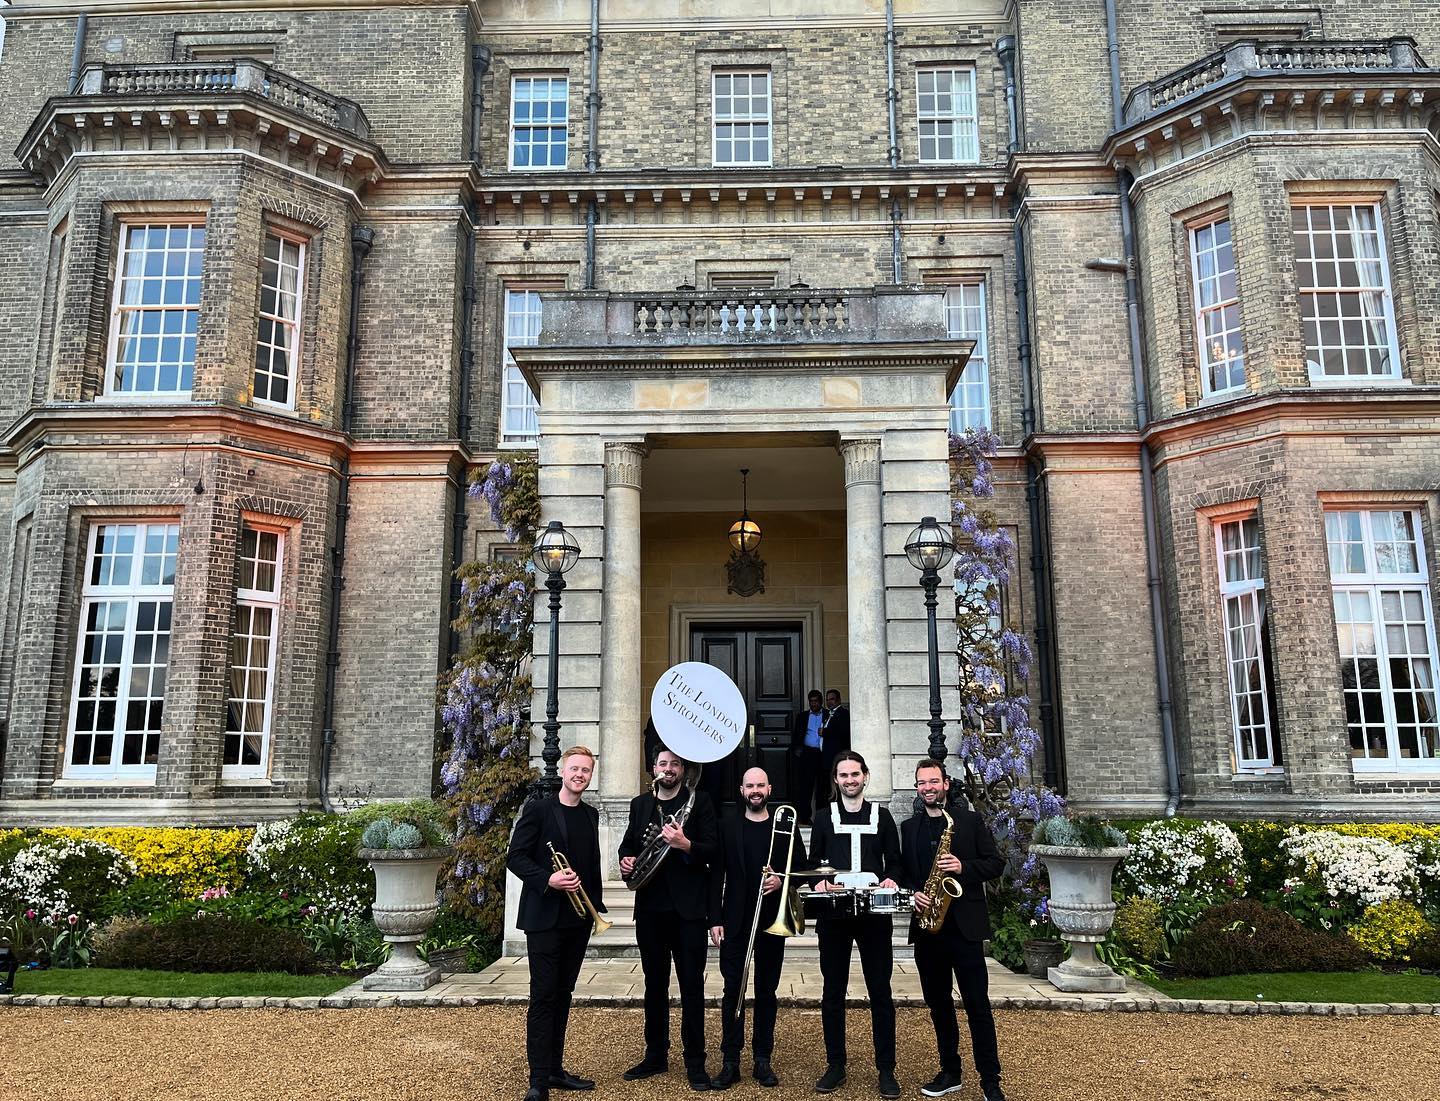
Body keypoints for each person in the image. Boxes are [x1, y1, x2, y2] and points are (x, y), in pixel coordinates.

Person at [900, 759, 1007, 1101]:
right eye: (922, 783)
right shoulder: (908, 828)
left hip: (965, 928)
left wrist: (963, 867)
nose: (928, 788)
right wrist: (912, 893)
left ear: (946, 784)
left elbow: (996, 863)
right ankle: (950, 1072)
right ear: (917, 787)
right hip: (929, 928)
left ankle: (990, 1080)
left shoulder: (969, 821)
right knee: (939, 1005)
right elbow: (903, 874)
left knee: (977, 1005)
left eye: (933, 781)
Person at [505, 746, 607, 1101]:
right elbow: (515, 857)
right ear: (563, 771)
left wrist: (595, 909)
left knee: (563, 994)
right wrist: (548, 879)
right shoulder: (538, 809)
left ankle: (555, 1069)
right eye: (575, 769)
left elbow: (591, 865)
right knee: (543, 996)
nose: (580, 775)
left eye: (586, 770)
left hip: (577, 919)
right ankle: (537, 1080)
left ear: (591, 776)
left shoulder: (591, 814)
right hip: (545, 918)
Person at [618, 746, 720, 1091]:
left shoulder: (699, 803)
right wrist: (625, 860)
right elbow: (628, 845)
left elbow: (712, 850)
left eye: (675, 764)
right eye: (663, 763)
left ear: (682, 770)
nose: (669, 769)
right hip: (651, 909)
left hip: (688, 912)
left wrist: (684, 843)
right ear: (653, 769)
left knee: (692, 986)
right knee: (654, 985)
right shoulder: (640, 805)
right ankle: (655, 1055)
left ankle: (695, 1062)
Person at [807, 751, 903, 1098]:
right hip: (835, 915)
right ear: (836, 779)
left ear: (865, 776)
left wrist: (891, 879)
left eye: (855, 774)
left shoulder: (883, 816)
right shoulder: (823, 817)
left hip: (873, 916)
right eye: (843, 775)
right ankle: (835, 1064)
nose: (850, 780)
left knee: (880, 991)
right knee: (833, 991)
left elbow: (895, 862)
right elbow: (813, 864)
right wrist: (819, 882)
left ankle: (886, 1069)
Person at [707, 767, 809, 1090]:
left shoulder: (786, 827)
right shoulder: (727, 826)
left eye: (760, 785)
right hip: (735, 921)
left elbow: (801, 868)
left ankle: (763, 1058)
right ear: (741, 790)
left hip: (770, 920)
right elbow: (716, 875)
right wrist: (714, 919)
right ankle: (730, 1061)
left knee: (767, 991)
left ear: (769, 789)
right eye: (749, 785)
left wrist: (781, 880)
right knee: (732, 991)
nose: (755, 790)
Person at [790, 690, 827, 824]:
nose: (813, 704)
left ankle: (821, 818)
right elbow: (797, 735)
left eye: (815, 701)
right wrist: (797, 751)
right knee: (806, 787)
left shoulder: (828, 714)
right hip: (807, 754)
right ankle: (805, 818)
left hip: (823, 754)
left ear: (821, 702)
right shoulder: (802, 716)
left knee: (823, 788)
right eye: (811, 701)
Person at [821, 689, 852, 780]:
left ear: (838, 700)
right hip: (827, 756)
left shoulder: (843, 713)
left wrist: (824, 732)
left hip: (837, 755)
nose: (829, 702)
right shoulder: (828, 714)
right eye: (827, 700)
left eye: (832, 699)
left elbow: (843, 732)